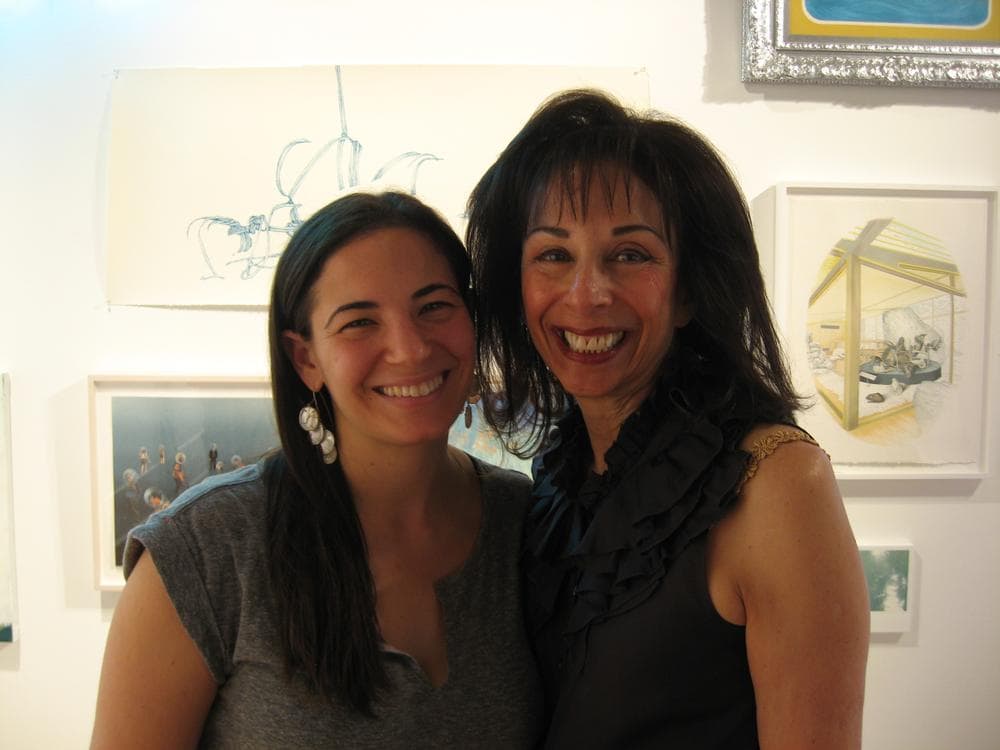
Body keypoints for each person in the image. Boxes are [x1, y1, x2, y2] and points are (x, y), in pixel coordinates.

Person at [466, 90, 869, 749]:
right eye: (553, 255)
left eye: (630, 255)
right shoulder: (558, 485)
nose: (587, 294)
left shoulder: (777, 482)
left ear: (688, 290)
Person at [91, 191, 543, 748]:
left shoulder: (524, 522)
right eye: (358, 322)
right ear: (306, 358)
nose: (408, 348)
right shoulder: (207, 552)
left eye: (433, 307)